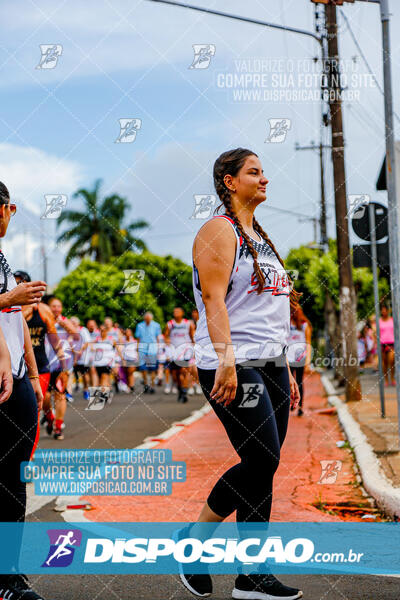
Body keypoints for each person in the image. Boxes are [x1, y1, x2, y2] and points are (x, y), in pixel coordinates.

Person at [181, 149, 302, 599]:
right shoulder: (218, 230)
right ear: (230, 182)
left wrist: (285, 367)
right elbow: (214, 302)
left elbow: (272, 313)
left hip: (270, 363)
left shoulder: (262, 239)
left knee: (262, 468)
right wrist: (228, 360)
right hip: (231, 361)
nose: (265, 179)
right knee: (262, 459)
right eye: (255, 172)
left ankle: (252, 575)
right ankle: (193, 543)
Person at [0, 181, 49, 599]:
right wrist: (7, 297)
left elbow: (15, 325)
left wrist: (33, 377)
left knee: (14, 479)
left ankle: (10, 576)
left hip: (14, 379)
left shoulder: (3, 259)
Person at [19, 272, 68, 446]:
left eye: (22, 283)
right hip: (16, 366)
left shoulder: (44, 310)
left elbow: (54, 340)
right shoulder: (11, 307)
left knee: (34, 409)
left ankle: (30, 455)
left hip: (39, 364)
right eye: (16, 283)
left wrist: (64, 363)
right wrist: (25, 312)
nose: (19, 286)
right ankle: (49, 415)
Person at [45, 297, 77, 440]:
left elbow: (76, 336)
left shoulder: (64, 320)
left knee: (60, 395)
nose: (56, 309)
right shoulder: (43, 319)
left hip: (61, 364)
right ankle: (49, 417)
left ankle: (58, 427)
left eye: (59, 306)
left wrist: (63, 324)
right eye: (53, 306)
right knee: (44, 398)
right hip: (43, 364)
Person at [164, 307, 196, 403]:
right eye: (174, 312)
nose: (176, 313)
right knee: (175, 375)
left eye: (178, 311)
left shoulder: (187, 323)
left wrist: (194, 348)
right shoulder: (170, 324)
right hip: (174, 351)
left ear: (182, 313)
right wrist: (167, 344)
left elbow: (192, 336)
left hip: (185, 351)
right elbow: (166, 336)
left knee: (184, 371)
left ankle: (184, 392)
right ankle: (180, 390)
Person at [287, 305, 312, 417]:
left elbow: (308, 344)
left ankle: (300, 406)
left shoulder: (304, 325)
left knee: (299, 382)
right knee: (289, 382)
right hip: (289, 358)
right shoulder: (287, 325)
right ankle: (292, 403)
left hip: (300, 358)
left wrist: (307, 361)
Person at [135, 312, 162, 394]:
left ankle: (152, 385)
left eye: (149, 319)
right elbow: (138, 338)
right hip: (143, 349)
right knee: (143, 369)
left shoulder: (156, 325)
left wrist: (158, 349)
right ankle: (146, 384)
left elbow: (158, 337)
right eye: (146, 319)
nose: (147, 320)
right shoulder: (140, 325)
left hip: (152, 349)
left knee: (152, 369)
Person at [70, 316, 92, 400]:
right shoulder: (69, 331)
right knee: (71, 374)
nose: (73, 324)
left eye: (74, 322)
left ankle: (86, 390)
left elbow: (86, 343)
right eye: (71, 322)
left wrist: (80, 351)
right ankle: (69, 392)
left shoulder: (83, 330)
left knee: (84, 374)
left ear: (78, 323)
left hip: (83, 357)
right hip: (72, 356)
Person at [379, 303, 395, 386]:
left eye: (385, 311)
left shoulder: (392, 320)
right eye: (382, 311)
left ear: (388, 311)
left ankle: (392, 378)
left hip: (391, 343)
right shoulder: (379, 321)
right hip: (382, 344)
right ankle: (386, 380)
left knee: (392, 361)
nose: (384, 312)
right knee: (384, 363)